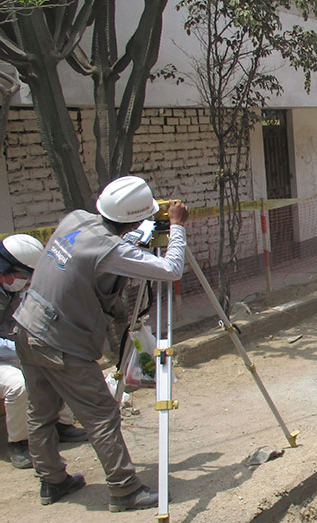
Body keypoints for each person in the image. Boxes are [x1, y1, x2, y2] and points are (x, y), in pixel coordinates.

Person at [14, 176, 190, 511]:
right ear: (138, 218)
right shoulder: (112, 249)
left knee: (40, 411)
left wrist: (134, 235)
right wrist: (177, 227)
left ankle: (51, 481)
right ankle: (125, 490)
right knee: (101, 415)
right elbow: (171, 269)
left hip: (26, 326)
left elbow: (97, 247)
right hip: (60, 340)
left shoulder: (75, 219)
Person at [0, 235, 88, 469]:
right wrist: (19, 350)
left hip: (8, 354)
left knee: (56, 362)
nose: (25, 283)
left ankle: (62, 425)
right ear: (6, 270)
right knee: (18, 385)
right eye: (24, 277)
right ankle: (19, 443)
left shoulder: (8, 287)